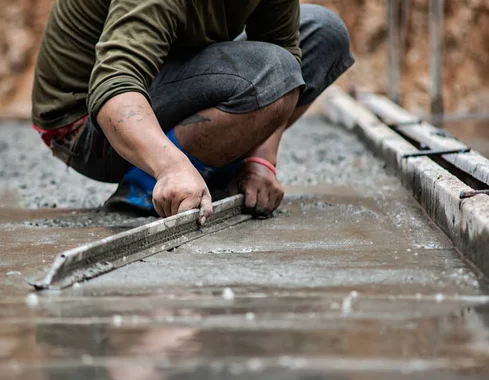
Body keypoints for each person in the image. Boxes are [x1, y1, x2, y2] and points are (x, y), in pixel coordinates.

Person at [31, 0, 354, 224]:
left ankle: (207, 166)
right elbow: (115, 80)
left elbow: (284, 54)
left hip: (165, 79)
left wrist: (261, 162)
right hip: (87, 125)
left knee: (323, 32)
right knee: (273, 69)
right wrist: (169, 168)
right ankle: (149, 183)